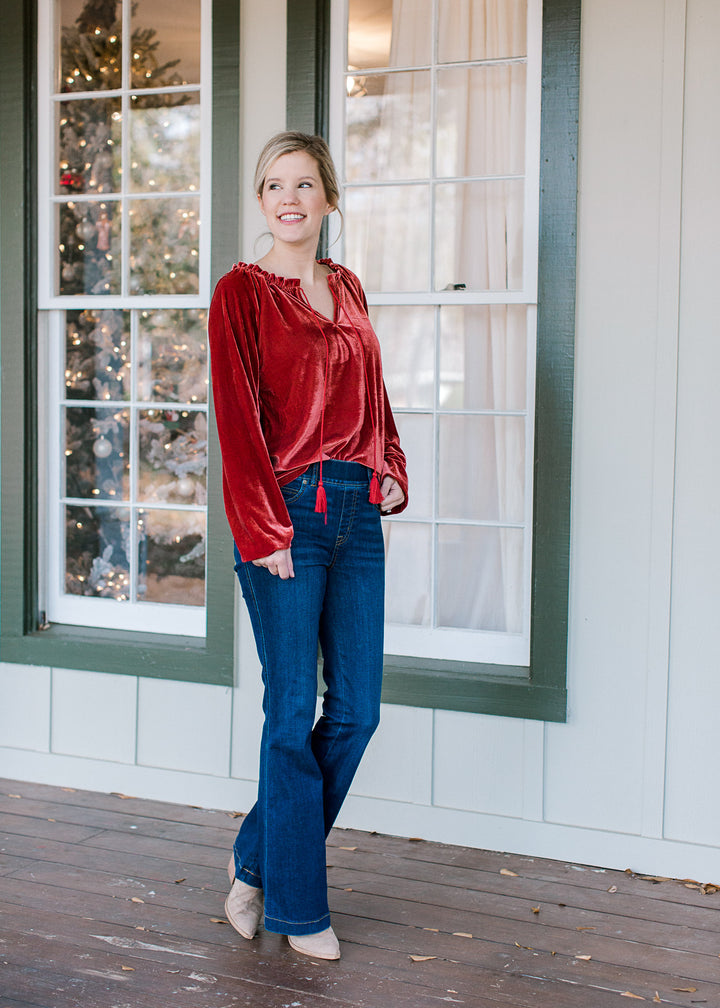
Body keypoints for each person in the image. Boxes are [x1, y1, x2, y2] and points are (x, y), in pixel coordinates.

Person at [208, 131, 408, 961]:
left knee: (355, 708)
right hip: (285, 515)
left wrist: (389, 464)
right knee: (291, 711)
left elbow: (373, 389)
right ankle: (298, 912)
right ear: (261, 202)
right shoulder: (242, 294)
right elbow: (237, 417)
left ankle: (256, 860)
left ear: (328, 197)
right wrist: (264, 529)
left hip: (357, 514)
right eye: (272, 186)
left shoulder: (350, 287)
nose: (287, 198)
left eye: (304, 184)